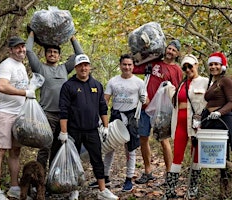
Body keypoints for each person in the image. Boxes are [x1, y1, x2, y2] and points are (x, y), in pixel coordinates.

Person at [58, 54, 119, 200]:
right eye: (80, 65)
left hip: (92, 130)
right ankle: (74, 189)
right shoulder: (68, 86)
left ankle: (102, 190)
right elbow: (63, 109)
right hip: (74, 130)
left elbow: (103, 107)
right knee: (73, 160)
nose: (83, 68)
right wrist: (64, 132)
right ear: (76, 67)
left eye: (86, 65)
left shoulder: (97, 85)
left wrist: (105, 127)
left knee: (97, 159)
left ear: (89, 67)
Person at [26, 31, 83, 174]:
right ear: (45, 55)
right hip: (47, 115)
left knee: (58, 148)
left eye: (55, 52)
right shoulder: (40, 68)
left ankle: (53, 180)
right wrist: (32, 34)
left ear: (59, 56)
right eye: (49, 52)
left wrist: (71, 36)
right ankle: (39, 180)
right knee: (44, 148)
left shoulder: (64, 68)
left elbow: (80, 55)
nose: (52, 54)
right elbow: (28, 51)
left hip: (64, 115)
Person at [88, 54, 147, 192]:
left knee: (130, 149)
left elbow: (146, 102)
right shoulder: (113, 81)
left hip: (132, 117)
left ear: (133, 66)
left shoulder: (139, 82)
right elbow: (105, 100)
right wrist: (100, 118)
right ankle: (105, 177)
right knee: (109, 147)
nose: (127, 67)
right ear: (120, 65)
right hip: (116, 116)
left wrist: (144, 99)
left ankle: (129, 178)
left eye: (129, 65)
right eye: (124, 64)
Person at [0, 36, 36, 200]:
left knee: (15, 151)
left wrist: (31, 89)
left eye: (23, 47)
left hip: (18, 114)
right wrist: (25, 93)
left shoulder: (21, 66)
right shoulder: (6, 65)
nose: (21, 50)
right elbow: (2, 86)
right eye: (17, 47)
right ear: (10, 50)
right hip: (3, 112)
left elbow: (21, 86)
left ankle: (14, 187)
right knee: (0, 150)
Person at [132, 40, 183, 184]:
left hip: (162, 110)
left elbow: (177, 91)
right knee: (143, 138)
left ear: (177, 54)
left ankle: (170, 174)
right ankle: (148, 171)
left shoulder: (176, 70)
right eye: (169, 48)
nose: (170, 51)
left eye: (174, 50)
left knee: (164, 140)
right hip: (145, 107)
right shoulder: (154, 63)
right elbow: (134, 68)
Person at [201, 52, 232, 199]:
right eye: (211, 64)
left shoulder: (226, 81)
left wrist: (220, 112)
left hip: (223, 123)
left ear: (222, 66)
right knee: (214, 157)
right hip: (212, 122)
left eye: (216, 64)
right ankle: (224, 191)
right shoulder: (214, 82)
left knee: (222, 158)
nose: (213, 67)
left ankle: (230, 185)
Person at [163, 54, 209, 199]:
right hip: (180, 124)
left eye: (190, 66)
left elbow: (214, 99)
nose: (188, 69)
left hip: (197, 125)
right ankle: (170, 190)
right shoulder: (183, 83)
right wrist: (168, 87)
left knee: (196, 156)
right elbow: (176, 100)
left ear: (196, 65)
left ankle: (192, 188)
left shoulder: (206, 82)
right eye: (185, 67)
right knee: (177, 156)